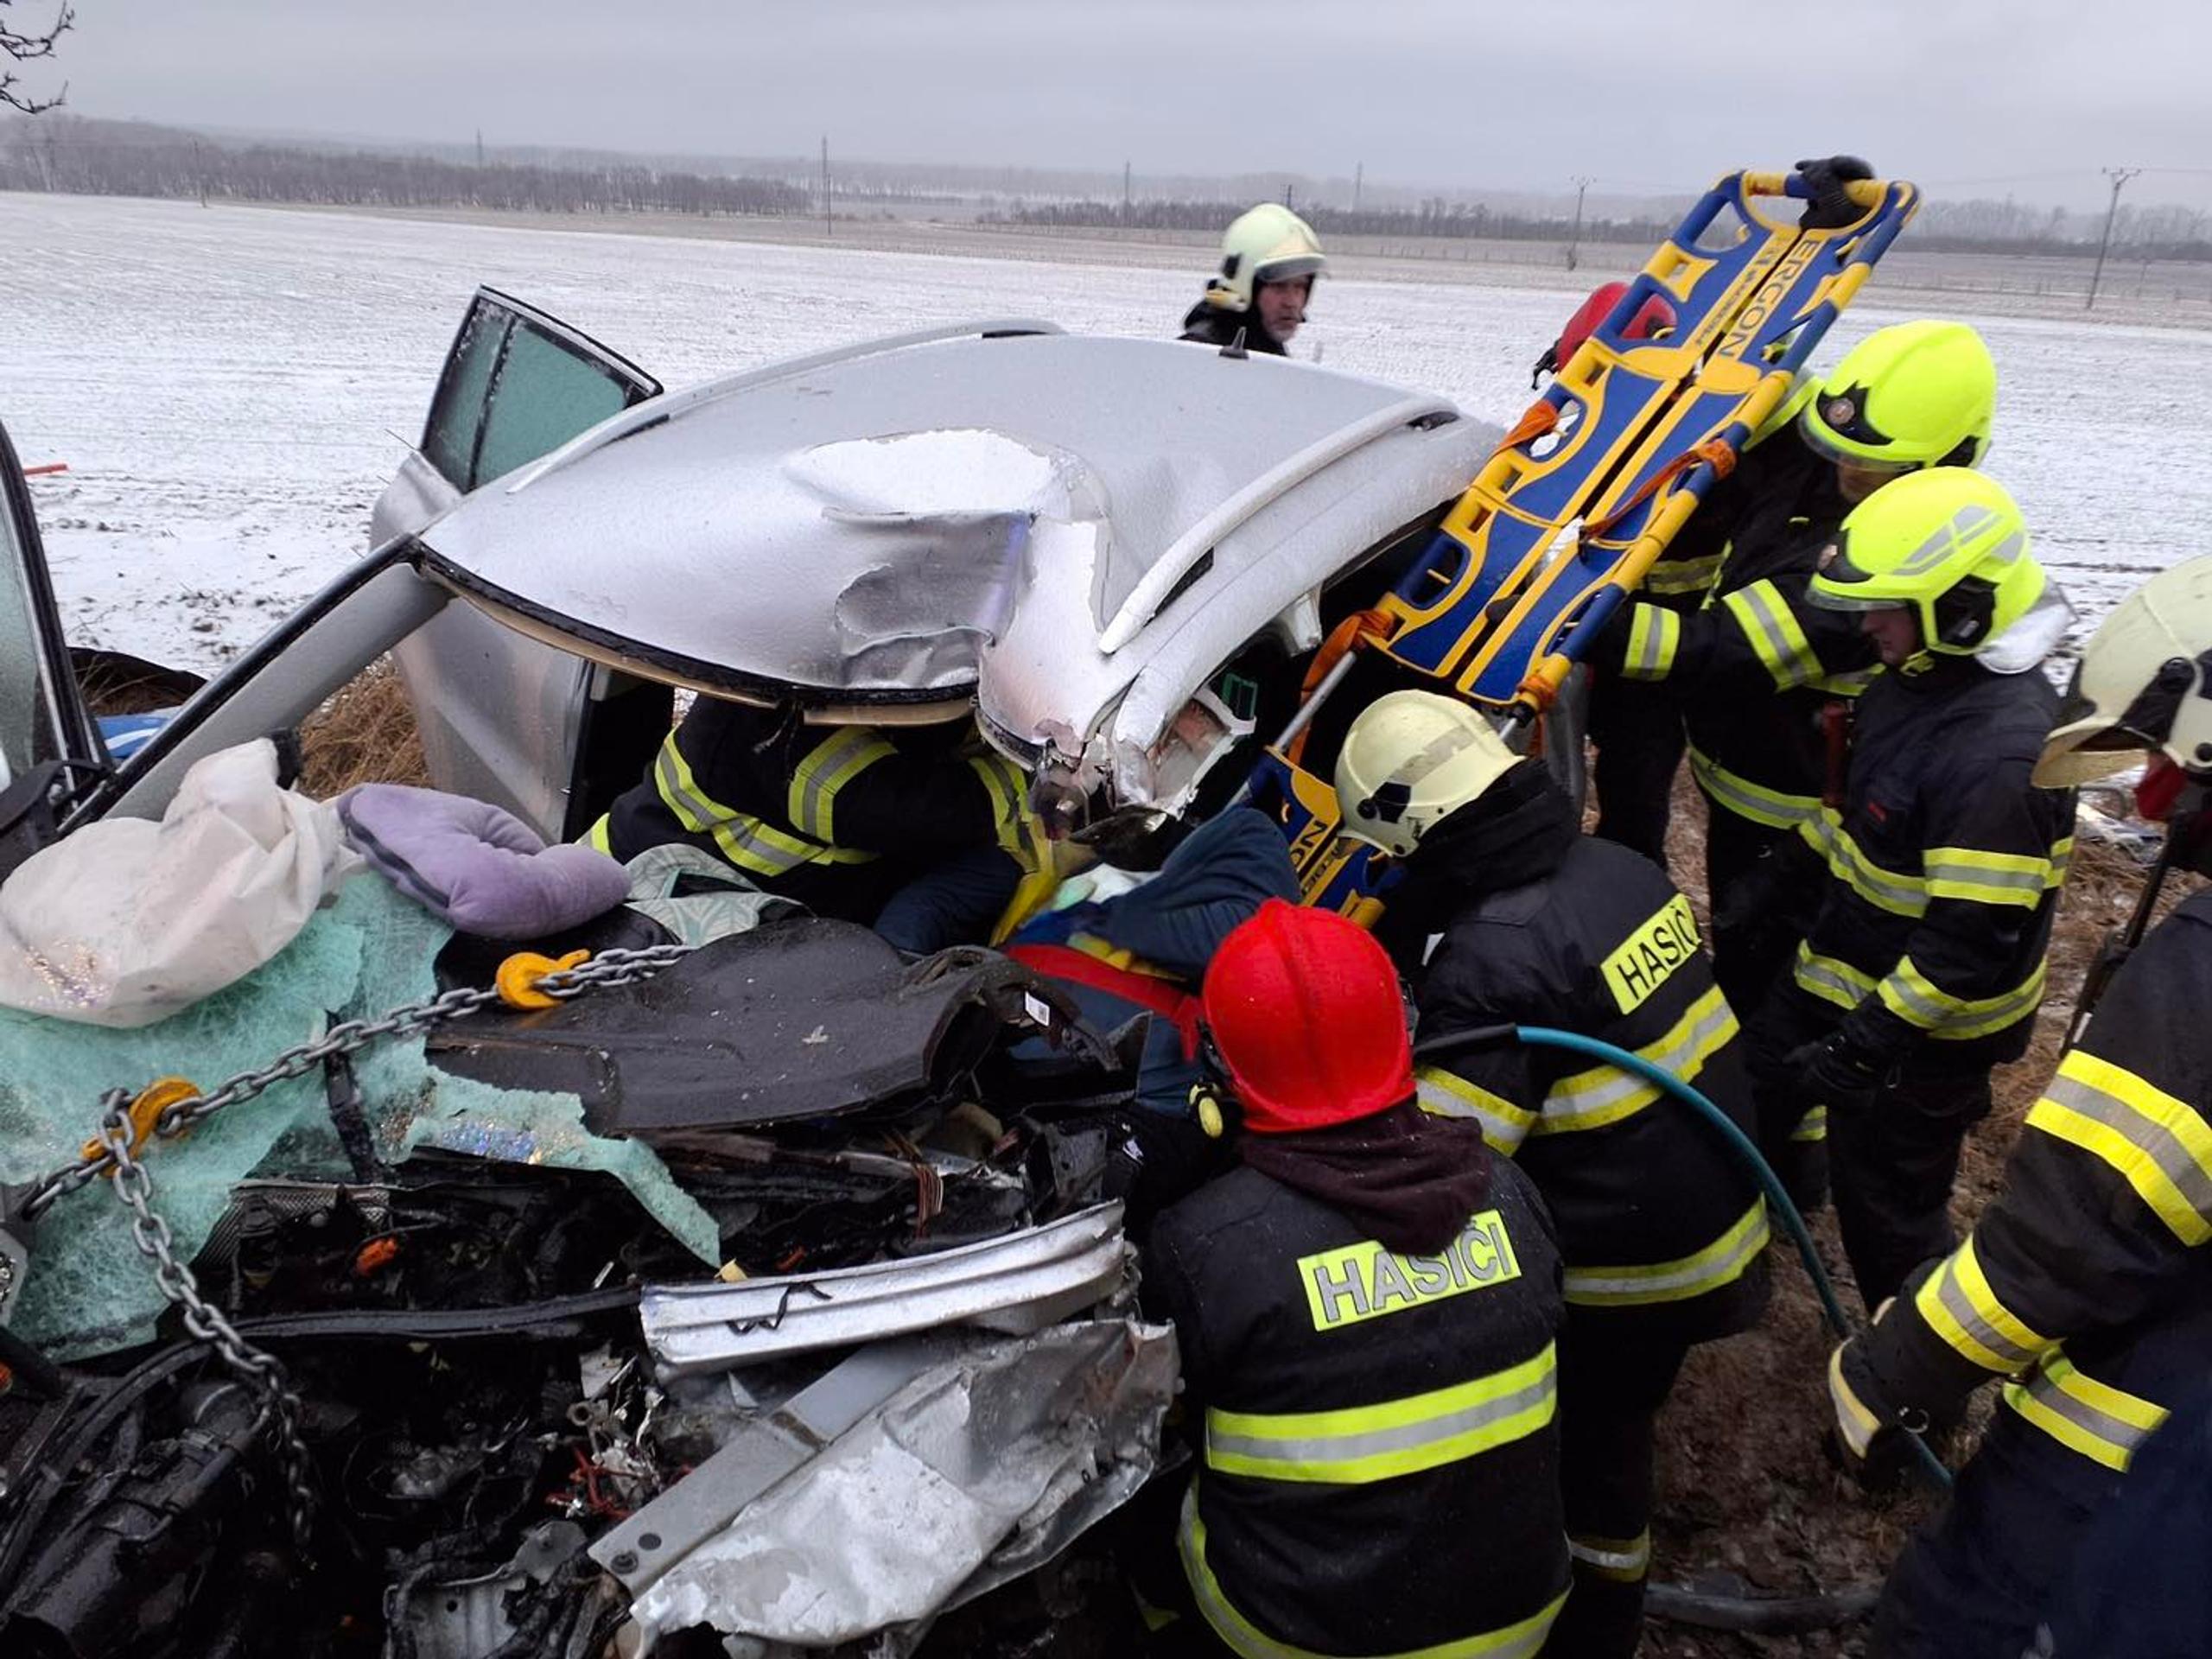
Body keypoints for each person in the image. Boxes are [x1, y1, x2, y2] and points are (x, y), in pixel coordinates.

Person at [1827, 555, 2212, 1657]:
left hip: (2124, 1458)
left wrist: (1891, 1370)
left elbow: (2060, 1248)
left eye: (2164, 769)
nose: (2147, 801)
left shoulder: (2195, 985)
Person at [1333, 689, 1770, 1659]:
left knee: (1592, 1452)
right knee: (1620, 1415)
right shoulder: (1616, 868)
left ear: (1422, 826)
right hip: (1720, 1207)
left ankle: (1597, 1619)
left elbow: (1447, 1164)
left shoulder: (1493, 957)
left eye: (1397, 850)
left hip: (1636, 1275)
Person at [1145, 900, 1571, 1659]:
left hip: (1296, 1641)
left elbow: (1154, 1421)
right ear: (1401, 1038)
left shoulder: (1203, 1247)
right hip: (1520, 1621)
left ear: (1226, 1074)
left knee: (1140, 1497)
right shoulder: (1512, 1192)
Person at [1594, 320, 1999, 1023]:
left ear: (1947, 462)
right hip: (1738, 773)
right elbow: (1767, 391)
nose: (1846, 474)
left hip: (1791, 807)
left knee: (1762, 964)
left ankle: (1764, 1095)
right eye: (1836, 450)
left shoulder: (1890, 569)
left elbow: (1716, 653)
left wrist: (1580, 624)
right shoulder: (1833, 455)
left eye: (1869, 468)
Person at [1747, 467, 2074, 1312]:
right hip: (1849, 970)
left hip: (1923, 1039)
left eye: (1887, 605)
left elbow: (1965, 946)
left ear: (1961, 605)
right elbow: (1869, 819)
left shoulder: (1999, 760)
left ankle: (1902, 1398)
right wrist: (1787, 874)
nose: (1868, 623)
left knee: (1888, 1215)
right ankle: (1777, 1210)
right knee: (1757, 1078)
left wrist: (1863, 1047)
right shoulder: (1918, 680)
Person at [585, 699, 1040, 955]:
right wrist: (1050, 768)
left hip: (639, 868)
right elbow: (962, 808)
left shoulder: (765, 689)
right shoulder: (813, 770)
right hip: (644, 915)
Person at [1178, 203, 1325, 357]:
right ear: (1244, 285)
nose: (1291, 302)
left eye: (1301, 286)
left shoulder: (1269, 351)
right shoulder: (1196, 356)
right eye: (1279, 286)